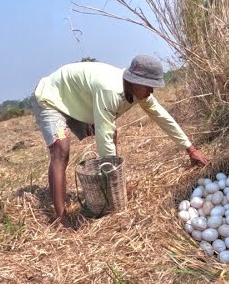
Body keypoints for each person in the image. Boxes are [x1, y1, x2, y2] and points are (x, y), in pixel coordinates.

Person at [29, 54, 209, 223]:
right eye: (149, 85)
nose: (151, 90)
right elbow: (104, 138)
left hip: (77, 100)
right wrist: (111, 180)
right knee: (61, 149)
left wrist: (190, 149)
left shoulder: (138, 92)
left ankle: (109, 186)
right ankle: (61, 218)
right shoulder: (110, 90)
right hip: (51, 97)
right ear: (135, 81)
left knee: (109, 131)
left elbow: (163, 117)